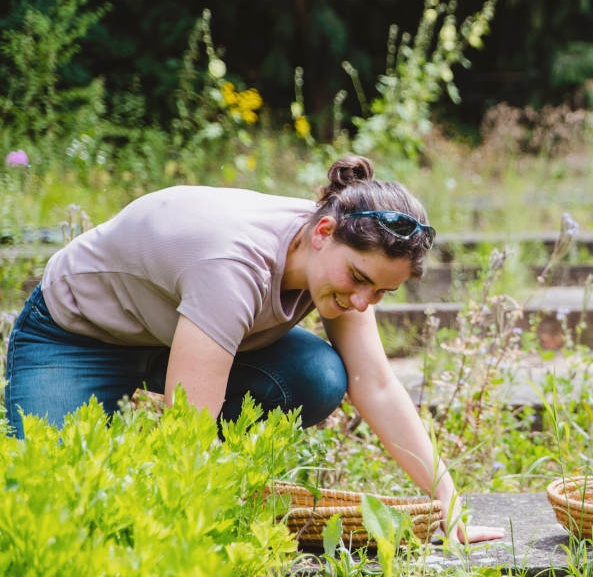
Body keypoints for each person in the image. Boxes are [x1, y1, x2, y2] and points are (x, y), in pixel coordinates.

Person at [3, 155, 503, 544]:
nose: (361, 302)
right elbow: (188, 431)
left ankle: (188, 430)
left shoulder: (337, 263)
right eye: (359, 280)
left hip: (177, 331)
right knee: (55, 492)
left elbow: (375, 384)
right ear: (323, 232)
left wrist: (448, 500)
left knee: (319, 375)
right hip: (77, 337)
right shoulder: (232, 263)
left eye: (380, 293)